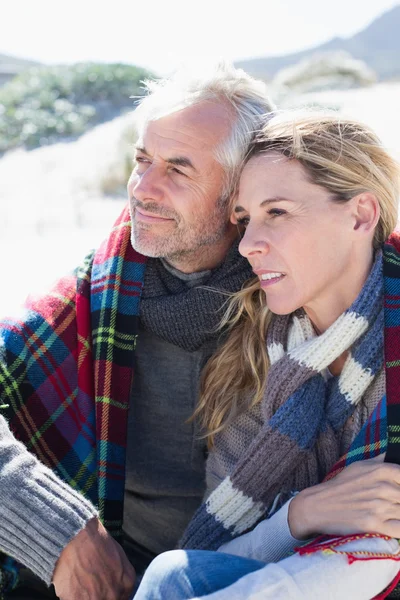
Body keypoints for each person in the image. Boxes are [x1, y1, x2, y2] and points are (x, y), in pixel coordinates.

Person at [0, 61, 275, 599]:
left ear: (241, 194)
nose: (143, 189)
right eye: (142, 160)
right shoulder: (90, 300)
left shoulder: (301, 303)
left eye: (178, 169)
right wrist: (57, 531)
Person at [133, 111, 400, 600]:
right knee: (171, 574)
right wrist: (302, 514)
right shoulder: (256, 358)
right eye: (245, 219)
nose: (251, 244)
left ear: (361, 214)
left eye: (276, 212)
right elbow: (218, 552)